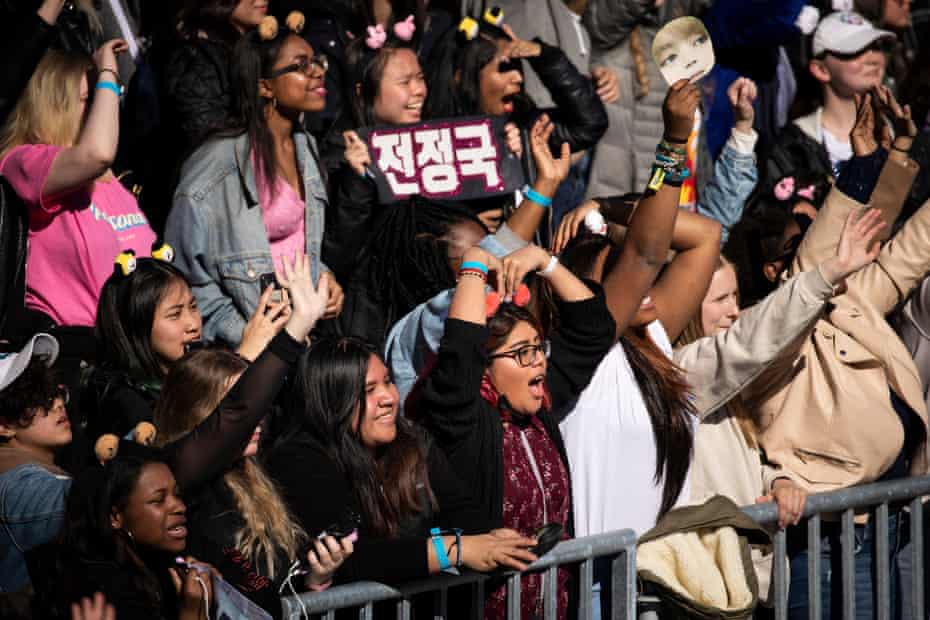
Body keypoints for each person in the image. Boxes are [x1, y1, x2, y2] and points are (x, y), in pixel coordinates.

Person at [673, 206, 887, 604]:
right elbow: (750, 340)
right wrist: (828, 273)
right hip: (703, 588)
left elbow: (740, 461)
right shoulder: (681, 374)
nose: (734, 310)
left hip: (740, 583)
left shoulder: (720, 387)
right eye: (719, 299)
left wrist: (778, 483)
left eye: (736, 295)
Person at [410, 240, 615, 619]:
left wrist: (544, 261)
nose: (538, 361)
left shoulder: (540, 411)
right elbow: (459, 356)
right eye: (522, 352)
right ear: (484, 369)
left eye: (539, 348)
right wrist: (473, 268)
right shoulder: (466, 425)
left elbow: (595, 329)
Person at [266, 336, 539, 587]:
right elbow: (355, 556)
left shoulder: (411, 442)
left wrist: (494, 538)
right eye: (369, 390)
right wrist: (455, 550)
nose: (388, 398)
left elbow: (462, 510)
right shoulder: (298, 459)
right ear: (333, 404)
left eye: (387, 381)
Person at [166, 14, 344, 348]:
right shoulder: (216, 164)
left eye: (316, 61)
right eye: (300, 66)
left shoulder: (305, 145)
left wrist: (325, 280)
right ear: (265, 86)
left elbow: (299, 247)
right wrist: (251, 335)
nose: (318, 71)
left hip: (307, 337)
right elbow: (187, 277)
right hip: (251, 352)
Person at [154, 348, 351, 614]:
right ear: (199, 415)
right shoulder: (185, 490)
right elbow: (243, 582)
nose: (257, 418)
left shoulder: (255, 475)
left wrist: (315, 579)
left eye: (258, 405)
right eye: (240, 410)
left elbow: (270, 587)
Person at [0, 40, 156, 330]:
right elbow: (96, 153)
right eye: (93, 99)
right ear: (54, 104)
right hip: (79, 357)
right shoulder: (23, 163)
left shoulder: (109, 181)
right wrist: (109, 72)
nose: (106, 109)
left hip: (138, 351)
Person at [425, 8, 607, 231]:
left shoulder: (526, 128)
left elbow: (590, 123)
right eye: (504, 68)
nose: (519, 77)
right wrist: (463, 226)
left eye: (517, 67)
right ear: (461, 76)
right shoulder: (430, 142)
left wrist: (544, 56)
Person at [84, 251, 287, 442]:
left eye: (193, 307)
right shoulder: (124, 401)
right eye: (174, 314)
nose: (193, 324)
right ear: (136, 328)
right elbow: (193, 453)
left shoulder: (198, 363)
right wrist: (243, 358)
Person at [761, 11, 894, 191]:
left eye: (877, 46)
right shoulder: (792, 146)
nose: (873, 58)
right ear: (821, 70)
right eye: (855, 50)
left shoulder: (900, 136)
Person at [0, 334, 70, 595]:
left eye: (54, 392)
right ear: (4, 425)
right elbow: (96, 501)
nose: (57, 404)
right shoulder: (20, 487)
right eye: (36, 399)